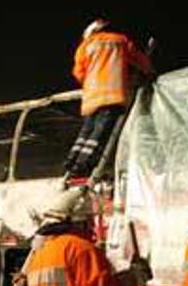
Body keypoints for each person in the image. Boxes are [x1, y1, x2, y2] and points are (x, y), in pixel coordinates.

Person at [64, 18, 153, 179]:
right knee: (101, 132)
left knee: (87, 130)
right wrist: (148, 72)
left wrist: (91, 81)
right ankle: (84, 164)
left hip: (91, 97)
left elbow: (78, 72)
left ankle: (72, 160)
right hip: (112, 95)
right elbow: (141, 61)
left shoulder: (85, 46)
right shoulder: (120, 41)